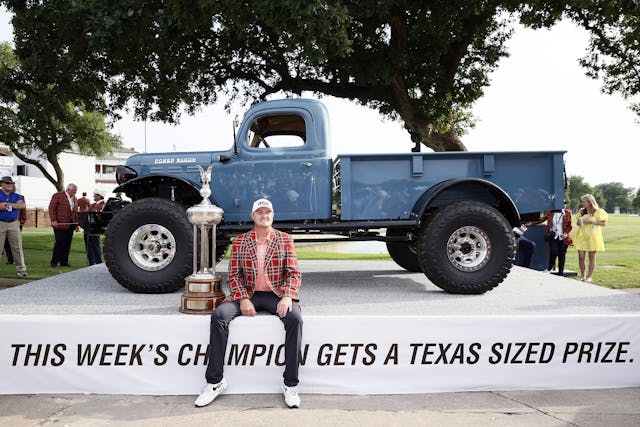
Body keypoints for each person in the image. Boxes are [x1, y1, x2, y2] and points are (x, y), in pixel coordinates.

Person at [195, 198, 303, 409]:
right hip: (248, 294)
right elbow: (234, 275)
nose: (264, 215)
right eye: (260, 212)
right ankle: (215, 382)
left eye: (268, 212)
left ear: (272, 215)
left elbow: (293, 273)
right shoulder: (241, 241)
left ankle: (290, 384)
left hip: (276, 294)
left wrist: (288, 296)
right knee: (218, 316)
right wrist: (244, 298)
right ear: (253, 216)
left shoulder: (284, 239)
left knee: (295, 319)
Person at [530, 202, 573, 275]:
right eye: (562, 203)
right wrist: (531, 223)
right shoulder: (550, 212)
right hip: (553, 236)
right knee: (553, 252)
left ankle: (561, 272)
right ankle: (549, 268)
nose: (564, 205)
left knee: (562, 255)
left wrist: (565, 233)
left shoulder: (568, 213)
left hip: (564, 237)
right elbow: (542, 219)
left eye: (564, 203)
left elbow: (569, 225)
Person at [573, 194, 608, 282]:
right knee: (581, 257)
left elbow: (604, 224)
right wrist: (580, 221)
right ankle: (583, 276)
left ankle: (589, 276)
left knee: (591, 256)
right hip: (582, 236)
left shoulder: (598, 211)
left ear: (589, 202)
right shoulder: (581, 211)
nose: (582, 203)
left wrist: (592, 221)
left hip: (593, 237)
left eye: (584, 202)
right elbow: (577, 223)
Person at [0, 176, 28, 277]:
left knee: (17, 247)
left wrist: (6, 205)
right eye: (7, 183)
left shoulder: (16, 195)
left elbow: (21, 206)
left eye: (11, 183)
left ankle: (22, 269)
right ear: (2, 184)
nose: (10, 185)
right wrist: (13, 205)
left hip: (14, 223)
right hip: (1, 223)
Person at [49, 183, 79, 267]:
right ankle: (54, 262)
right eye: (74, 190)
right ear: (68, 189)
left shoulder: (75, 199)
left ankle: (64, 262)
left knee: (67, 244)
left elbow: (75, 213)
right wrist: (53, 220)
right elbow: (51, 208)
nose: (75, 192)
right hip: (59, 224)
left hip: (71, 225)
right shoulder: (58, 195)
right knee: (59, 242)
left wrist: (76, 225)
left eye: (76, 191)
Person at [4, 189, 26, 265]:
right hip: (3, 222)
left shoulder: (20, 197)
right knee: (6, 243)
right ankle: (10, 259)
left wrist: (22, 221)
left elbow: (23, 210)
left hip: (16, 223)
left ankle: (18, 262)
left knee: (16, 243)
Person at [86, 189, 106, 265]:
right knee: (89, 246)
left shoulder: (103, 205)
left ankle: (98, 262)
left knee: (95, 245)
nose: (93, 196)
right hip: (88, 228)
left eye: (95, 194)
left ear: (99, 196)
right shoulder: (92, 204)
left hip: (95, 228)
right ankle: (91, 262)